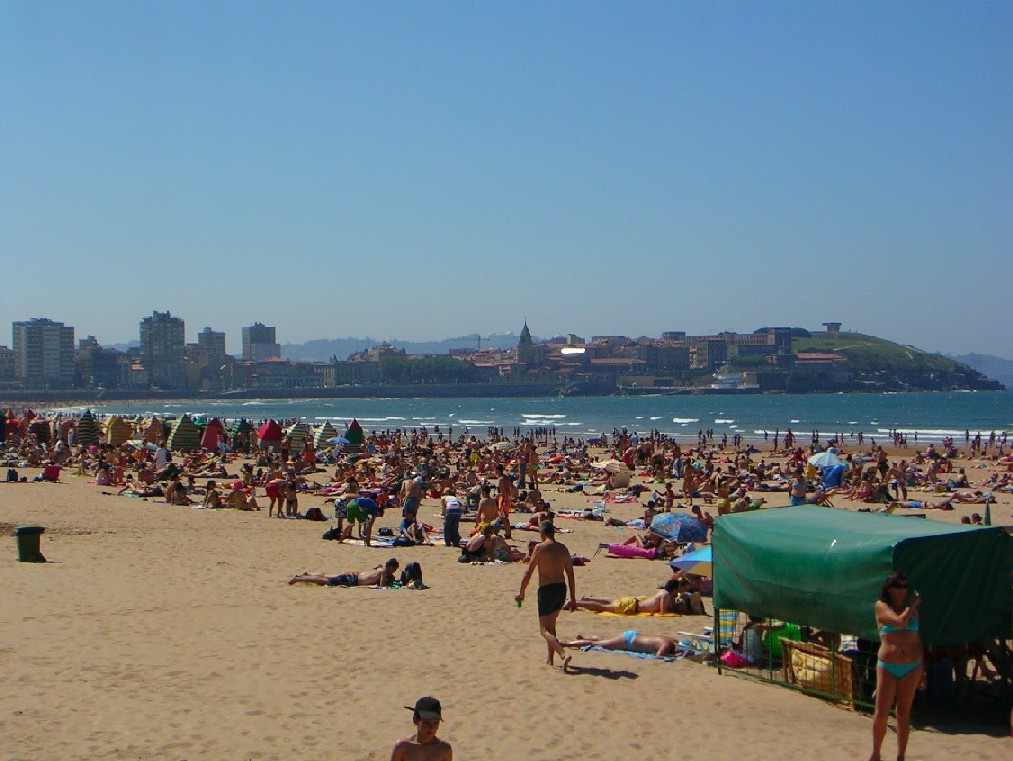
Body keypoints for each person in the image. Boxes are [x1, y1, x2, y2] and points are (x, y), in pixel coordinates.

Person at [868, 572, 924, 761]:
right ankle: (876, 753)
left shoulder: (911, 610)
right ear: (889, 588)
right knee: (881, 712)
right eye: (898, 586)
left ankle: (901, 755)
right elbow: (899, 622)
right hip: (888, 665)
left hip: (912, 665)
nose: (902, 591)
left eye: (904, 586)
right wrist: (913, 606)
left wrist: (922, 670)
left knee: (903, 712)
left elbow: (917, 639)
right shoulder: (881, 607)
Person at [515, 521, 577, 670]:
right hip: (561, 589)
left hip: (547, 590)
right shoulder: (563, 548)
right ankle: (550, 660)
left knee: (544, 630)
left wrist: (521, 592)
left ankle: (563, 654)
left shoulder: (540, 547)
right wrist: (573, 598)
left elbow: (528, 571)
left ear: (542, 533)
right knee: (551, 625)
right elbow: (570, 573)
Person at [390, 696, 452, 761]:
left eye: (436, 722)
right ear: (415, 720)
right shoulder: (402, 747)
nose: (432, 728)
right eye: (427, 723)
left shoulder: (444, 749)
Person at [574, 579, 682, 615]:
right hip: (632, 606)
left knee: (611, 601)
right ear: (674, 589)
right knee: (603, 607)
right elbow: (663, 611)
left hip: (633, 602)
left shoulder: (662, 592)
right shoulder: (666, 594)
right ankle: (576, 603)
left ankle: (587, 598)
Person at [288, 558, 400, 587]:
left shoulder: (380, 568)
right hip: (353, 580)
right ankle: (299, 578)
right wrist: (389, 579)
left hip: (353, 575)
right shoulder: (384, 572)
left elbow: (377, 566)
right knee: (325, 581)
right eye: (394, 570)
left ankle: (308, 574)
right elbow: (382, 586)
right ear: (391, 567)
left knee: (327, 575)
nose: (393, 572)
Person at [563, 631, 681, 657]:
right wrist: (674, 655)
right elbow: (659, 656)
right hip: (628, 642)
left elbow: (677, 640)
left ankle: (584, 637)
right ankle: (567, 644)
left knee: (604, 640)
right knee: (597, 644)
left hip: (633, 635)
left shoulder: (670, 640)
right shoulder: (666, 645)